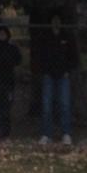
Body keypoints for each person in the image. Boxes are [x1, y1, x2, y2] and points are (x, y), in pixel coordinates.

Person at [35, 14, 78, 145]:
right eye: (54, 20)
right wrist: (44, 70)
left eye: (58, 20)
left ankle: (66, 133)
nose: (56, 22)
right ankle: (46, 134)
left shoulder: (67, 36)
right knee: (46, 105)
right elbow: (39, 55)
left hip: (63, 76)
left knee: (64, 104)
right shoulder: (45, 37)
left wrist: (67, 70)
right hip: (48, 75)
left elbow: (74, 57)